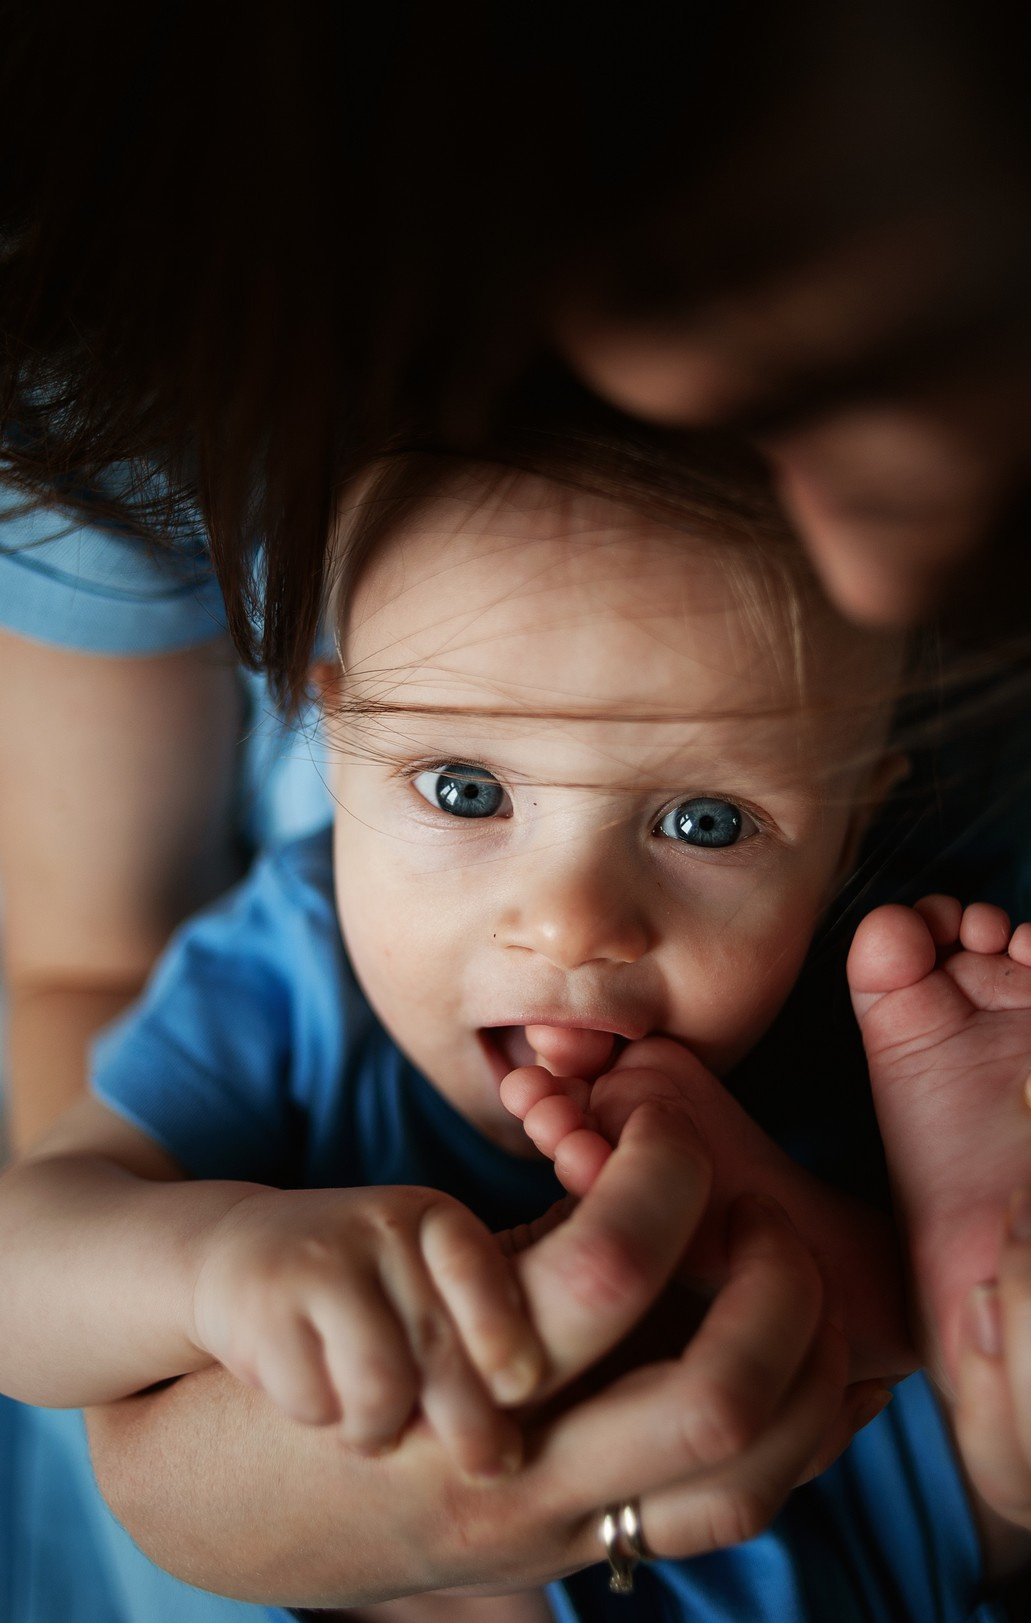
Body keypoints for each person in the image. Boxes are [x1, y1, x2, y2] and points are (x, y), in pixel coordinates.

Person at [0, 421, 934, 1622]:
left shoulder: (879, 1005)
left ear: (850, 834)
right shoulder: (292, 970)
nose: (570, 923)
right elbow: (24, 1277)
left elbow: (939, 1405)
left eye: (707, 822)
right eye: (465, 790)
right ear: (334, 741)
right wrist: (210, 1267)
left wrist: (841, 1256)